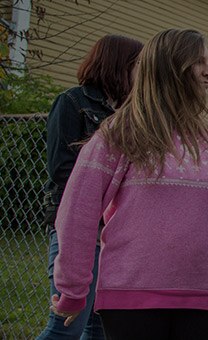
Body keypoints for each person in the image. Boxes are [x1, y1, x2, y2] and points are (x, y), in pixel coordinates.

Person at [50, 28, 208, 339]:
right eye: (200, 63)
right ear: (169, 69)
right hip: (130, 300)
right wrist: (73, 288)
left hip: (206, 300)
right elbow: (77, 211)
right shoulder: (120, 133)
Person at [38, 34, 143, 340]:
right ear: (118, 66)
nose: (142, 74)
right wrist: (95, 211)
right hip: (78, 229)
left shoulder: (131, 115)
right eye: (137, 66)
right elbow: (62, 169)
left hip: (114, 233)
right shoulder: (71, 103)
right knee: (66, 328)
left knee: (99, 330)